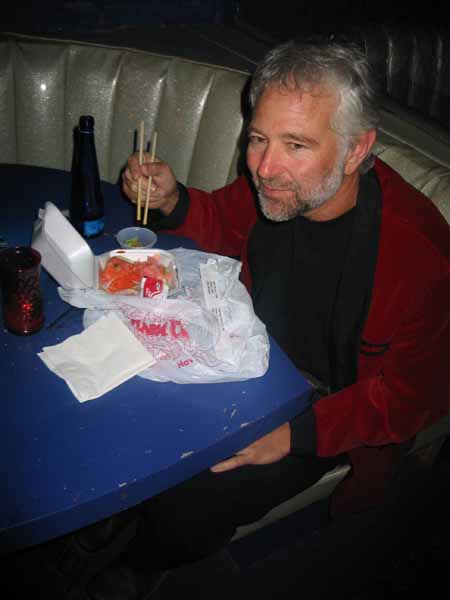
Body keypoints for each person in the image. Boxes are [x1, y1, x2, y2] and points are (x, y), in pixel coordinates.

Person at [88, 37, 450, 598]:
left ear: (356, 150)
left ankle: (138, 564)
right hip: (248, 350)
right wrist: (173, 200)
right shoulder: (286, 189)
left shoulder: (418, 253)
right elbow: (224, 218)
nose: (265, 167)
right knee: (127, 398)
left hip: (330, 405)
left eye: (296, 144)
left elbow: (413, 396)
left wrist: (295, 433)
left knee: (194, 502)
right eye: (258, 139)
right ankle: (106, 524)